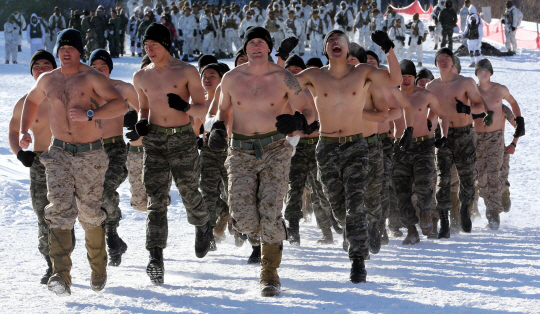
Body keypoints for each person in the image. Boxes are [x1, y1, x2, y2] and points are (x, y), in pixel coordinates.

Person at [207, 27, 315, 296]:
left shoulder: (284, 77)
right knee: (242, 218)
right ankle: (271, 234)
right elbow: (222, 111)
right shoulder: (231, 79)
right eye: (251, 42)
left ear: (268, 48)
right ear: (245, 49)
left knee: (270, 210)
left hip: (275, 149)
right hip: (240, 150)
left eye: (261, 42)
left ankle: (269, 273)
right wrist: (219, 129)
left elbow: (310, 110)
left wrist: (299, 121)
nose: (255, 46)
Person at [19, 29, 127, 296]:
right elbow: (31, 102)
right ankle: (61, 275)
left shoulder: (91, 77)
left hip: (90, 153)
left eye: (71, 48)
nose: (65, 52)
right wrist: (24, 131)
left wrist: (91, 113)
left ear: (79, 51)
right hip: (58, 153)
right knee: (58, 210)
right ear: (57, 51)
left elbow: (120, 105)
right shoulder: (48, 79)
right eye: (61, 48)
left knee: (90, 213)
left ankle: (98, 268)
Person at [294, 29, 403, 283]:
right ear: (325, 50)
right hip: (327, 147)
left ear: (347, 47)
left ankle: (357, 259)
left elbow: (394, 78)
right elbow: (284, 83)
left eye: (340, 40)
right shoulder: (314, 76)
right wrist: (284, 58)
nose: (335, 43)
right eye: (330, 40)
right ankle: (359, 231)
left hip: (356, 146)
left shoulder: (362, 72)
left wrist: (389, 49)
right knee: (338, 209)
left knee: (355, 204)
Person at [130, 23, 212, 285]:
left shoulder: (186, 71)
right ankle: (155, 256)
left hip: (182, 140)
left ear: (165, 44)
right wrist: (141, 124)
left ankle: (202, 225)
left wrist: (185, 106)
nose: (149, 49)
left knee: (189, 192)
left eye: (153, 44)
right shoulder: (141, 76)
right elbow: (143, 109)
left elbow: (203, 110)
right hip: (154, 141)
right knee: (156, 198)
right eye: (145, 45)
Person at [426, 48, 489, 238]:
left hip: (464, 134)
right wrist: (428, 127)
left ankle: (464, 209)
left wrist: (467, 107)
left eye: (447, 58)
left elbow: (481, 106)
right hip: (443, 135)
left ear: (453, 63)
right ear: (436, 63)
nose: (443, 61)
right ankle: (444, 220)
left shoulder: (465, 82)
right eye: (440, 59)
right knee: (442, 178)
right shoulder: (431, 86)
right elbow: (431, 114)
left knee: (467, 178)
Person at [8, 50, 57, 284]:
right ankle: (51, 264)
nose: (41, 69)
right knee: (42, 213)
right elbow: (12, 132)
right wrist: (20, 154)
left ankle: (67, 258)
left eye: (46, 64)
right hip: (38, 161)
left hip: (67, 158)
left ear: (54, 68)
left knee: (68, 213)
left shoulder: (66, 96)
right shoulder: (25, 102)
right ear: (31, 71)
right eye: (36, 66)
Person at [88, 49, 141, 266]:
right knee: (92, 198)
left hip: (117, 149)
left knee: (106, 188)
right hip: (91, 152)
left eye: (103, 66)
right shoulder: (84, 91)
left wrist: (137, 123)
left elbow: (146, 111)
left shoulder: (123, 89)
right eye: (95, 66)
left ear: (110, 68)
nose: (99, 70)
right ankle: (115, 238)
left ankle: (111, 233)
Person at [282, 54, 337, 247]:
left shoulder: (315, 92)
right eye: (291, 70)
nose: (295, 73)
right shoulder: (283, 95)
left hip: (316, 146)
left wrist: (316, 126)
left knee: (320, 190)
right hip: (294, 147)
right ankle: (293, 230)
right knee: (293, 190)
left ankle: (327, 231)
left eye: (298, 70)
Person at [395, 60, 448, 244]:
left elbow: (442, 114)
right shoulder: (391, 95)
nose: (406, 79)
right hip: (399, 148)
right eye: (403, 76)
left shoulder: (425, 95)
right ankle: (411, 230)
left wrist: (443, 134)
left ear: (414, 78)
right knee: (402, 193)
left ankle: (426, 213)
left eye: (410, 76)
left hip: (423, 146)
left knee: (424, 187)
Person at [473, 59, 524, 230]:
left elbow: (514, 106)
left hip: (496, 139)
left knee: (494, 176)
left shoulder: (500, 91)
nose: (483, 72)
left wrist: (513, 143)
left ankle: (493, 214)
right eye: (480, 69)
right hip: (477, 139)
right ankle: (498, 198)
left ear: (491, 72)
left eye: (486, 69)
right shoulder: (471, 91)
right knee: (481, 179)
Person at [199, 63, 229, 251]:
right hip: (207, 150)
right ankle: (209, 236)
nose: (207, 79)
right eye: (204, 76)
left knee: (234, 192)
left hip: (231, 150)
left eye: (212, 76)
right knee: (207, 192)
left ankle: (244, 231)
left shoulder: (230, 97)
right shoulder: (198, 101)